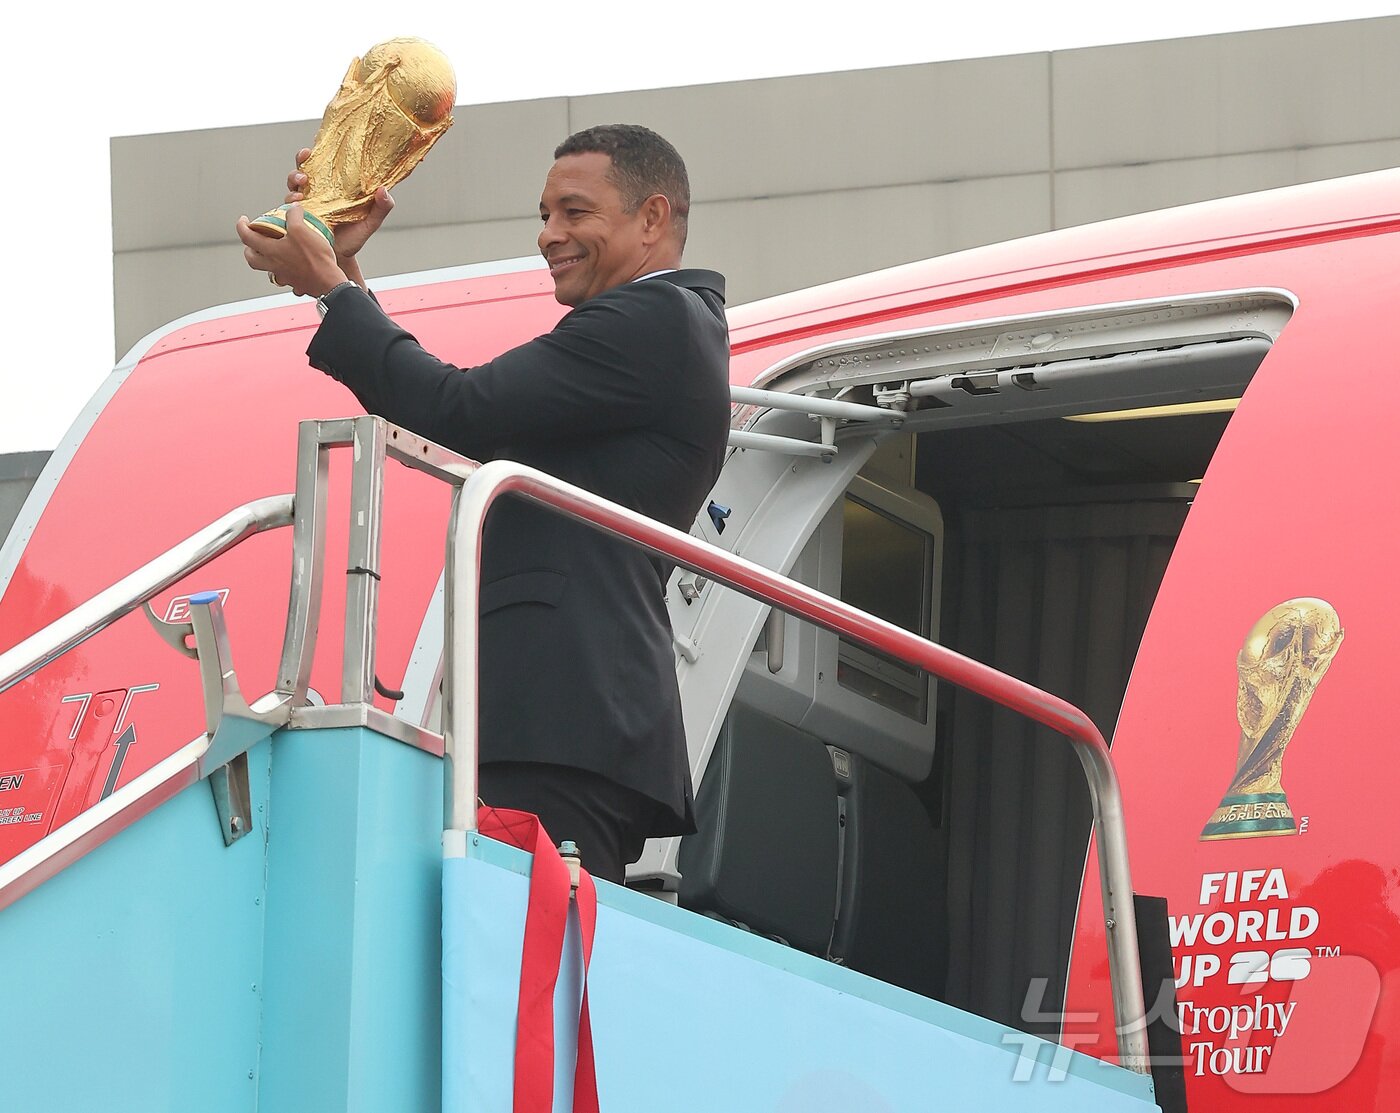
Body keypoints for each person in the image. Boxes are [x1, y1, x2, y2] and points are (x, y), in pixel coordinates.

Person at [236, 124, 730, 885]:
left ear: (653, 218)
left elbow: (461, 407)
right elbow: (461, 409)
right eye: (544, 213)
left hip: (564, 722)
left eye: (574, 212)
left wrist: (333, 289)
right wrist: (341, 272)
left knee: (525, 986)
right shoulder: (661, 329)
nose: (548, 235)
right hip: (558, 722)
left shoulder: (657, 320)